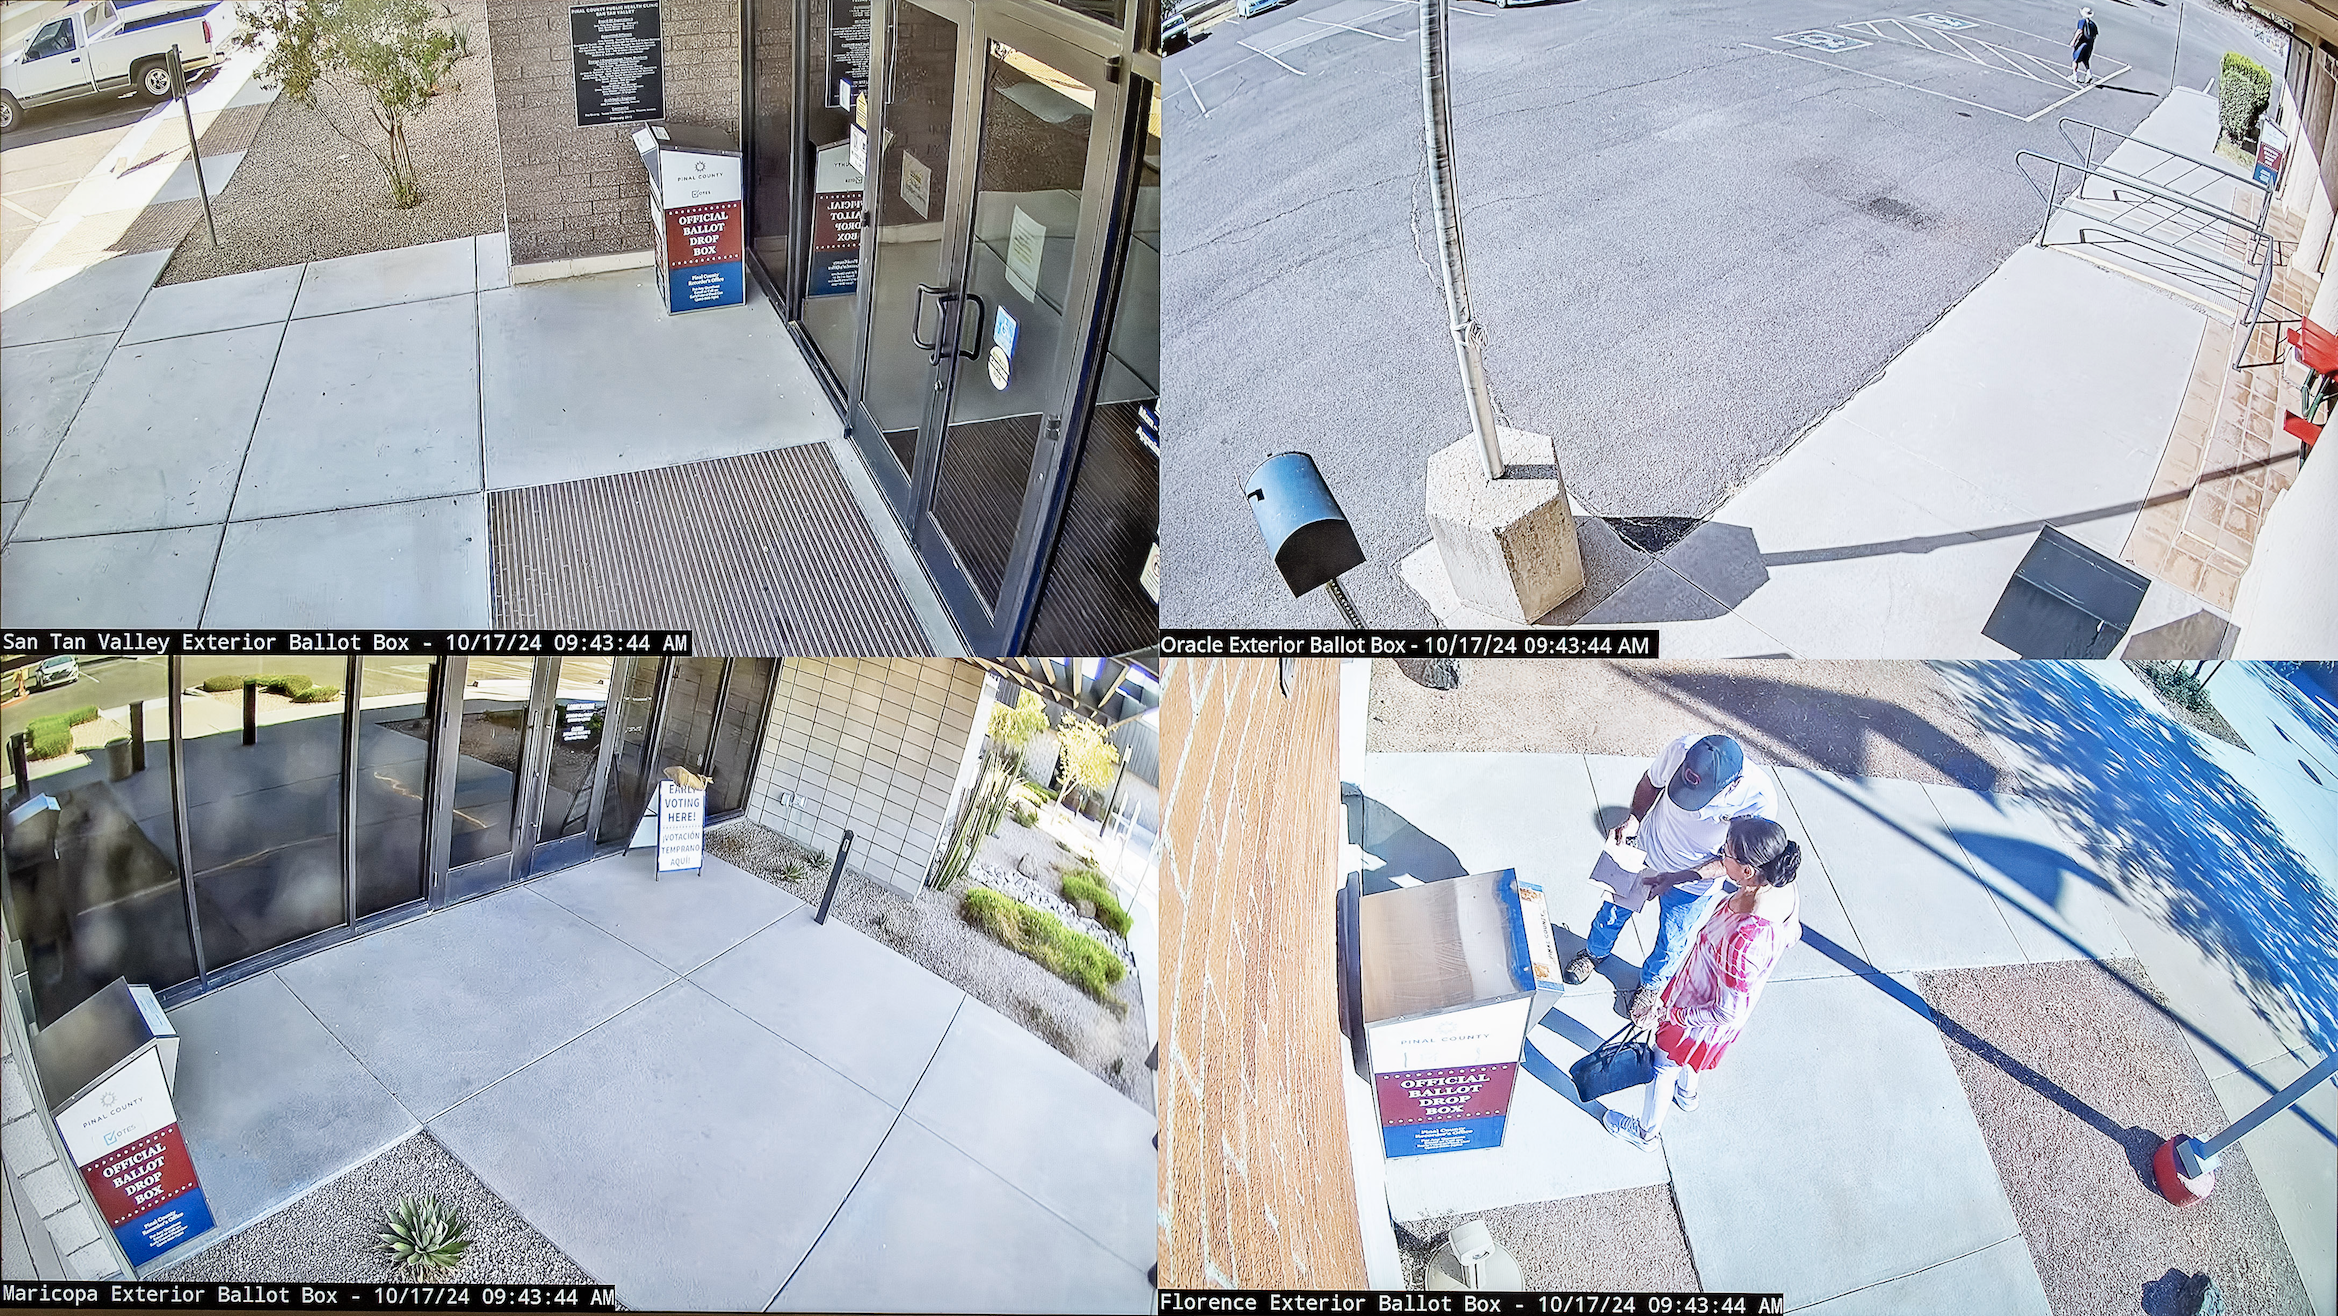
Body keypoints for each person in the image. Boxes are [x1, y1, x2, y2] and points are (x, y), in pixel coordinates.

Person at [1604, 816, 1804, 1150]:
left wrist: (1672, 1014)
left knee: (1662, 1064)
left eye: (1726, 852)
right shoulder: (1780, 884)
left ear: (1747, 871)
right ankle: (1687, 1094)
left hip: (1697, 1015)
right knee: (1683, 1062)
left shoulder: (1746, 939)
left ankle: (1645, 1133)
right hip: (1698, 992)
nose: (1720, 855)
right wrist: (1678, 877)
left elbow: (1725, 1011)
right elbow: (1790, 931)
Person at [1562, 734, 1775, 1027]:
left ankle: (1651, 985)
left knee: (1672, 939)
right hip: (1644, 854)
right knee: (1610, 914)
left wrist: (1678, 878)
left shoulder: (1758, 800)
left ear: (1732, 784)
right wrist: (1634, 819)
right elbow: (1650, 783)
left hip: (1692, 883)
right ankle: (1594, 952)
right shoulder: (1681, 749)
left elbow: (1736, 863)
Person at [2072, 8, 2098, 85]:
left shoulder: (2082, 21)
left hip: (2083, 42)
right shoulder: (2093, 24)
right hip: (2090, 44)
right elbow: (2095, 35)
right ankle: (2089, 73)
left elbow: (2080, 31)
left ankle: (2075, 75)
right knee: (2085, 59)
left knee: (2075, 59)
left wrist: (2074, 40)